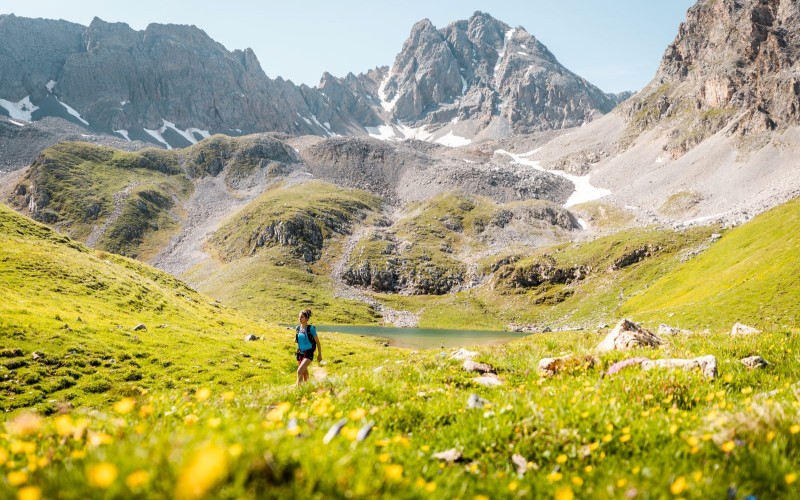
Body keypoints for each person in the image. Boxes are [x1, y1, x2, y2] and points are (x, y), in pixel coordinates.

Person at [295, 309, 321, 386]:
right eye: (299, 317)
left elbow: (317, 342)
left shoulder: (311, 329)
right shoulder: (298, 328)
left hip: (309, 352)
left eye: (302, 317)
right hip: (300, 353)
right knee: (304, 374)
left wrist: (319, 354)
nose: (300, 319)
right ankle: (308, 388)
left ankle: (298, 390)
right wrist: (296, 340)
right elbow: (298, 339)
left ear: (306, 318)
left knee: (299, 371)